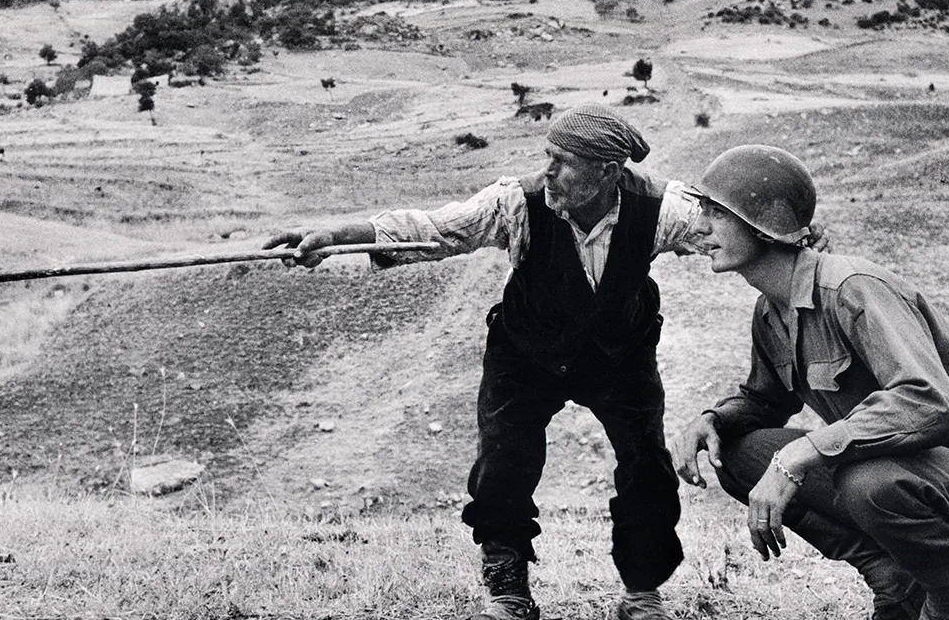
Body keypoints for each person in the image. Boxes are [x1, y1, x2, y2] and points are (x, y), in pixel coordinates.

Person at [265, 104, 703, 620]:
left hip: (618, 354)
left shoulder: (662, 208)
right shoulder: (517, 201)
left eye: (562, 162)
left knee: (646, 466)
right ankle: (508, 587)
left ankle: (642, 591)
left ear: (608, 171)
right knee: (503, 464)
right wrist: (337, 238)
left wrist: (802, 241)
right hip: (526, 352)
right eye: (547, 158)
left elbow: (735, 231)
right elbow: (436, 230)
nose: (548, 173)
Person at [671, 145, 949, 620]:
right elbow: (763, 401)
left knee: (868, 481)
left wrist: (801, 453)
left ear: (762, 225)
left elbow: (929, 403)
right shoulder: (771, 310)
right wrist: (713, 420)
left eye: (716, 213)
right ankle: (893, 581)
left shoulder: (851, 288)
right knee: (737, 452)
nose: (699, 228)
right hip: (915, 482)